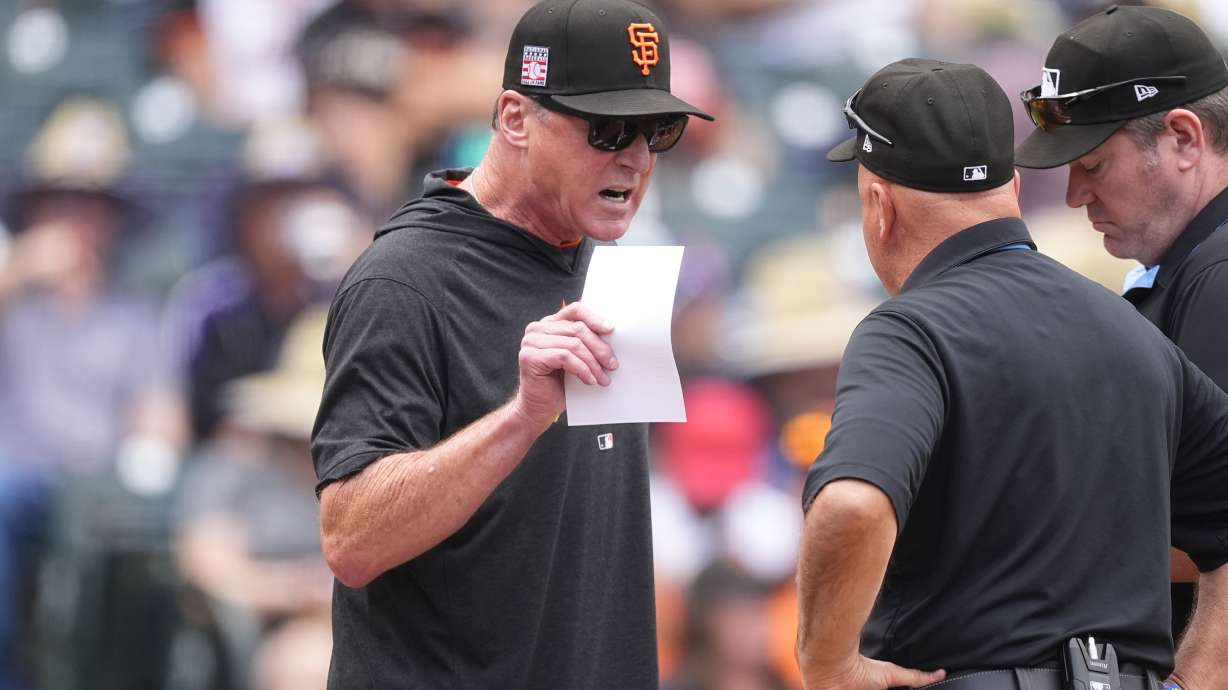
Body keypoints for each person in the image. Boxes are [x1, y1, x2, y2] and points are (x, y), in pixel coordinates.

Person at [310, 1, 712, 688]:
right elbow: (351, 540)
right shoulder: (406, 279)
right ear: (516, 118)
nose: (638, 158)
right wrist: (520, 420)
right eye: (609, 128)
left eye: (657, 130)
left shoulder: (605, 262)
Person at [795, 58, 1228, 690]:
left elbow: (853, 506)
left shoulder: (910, 331)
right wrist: (1197, 680)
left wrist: (828, 666)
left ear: (879, 205)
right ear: (1014, 191)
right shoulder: (1133, 332)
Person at [1014, 5, 1228, 641]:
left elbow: (1210, 535)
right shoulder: (1193, 266)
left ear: (1185, 140)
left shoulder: (1218, 275)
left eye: (1095, 163)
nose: (1076, 193)